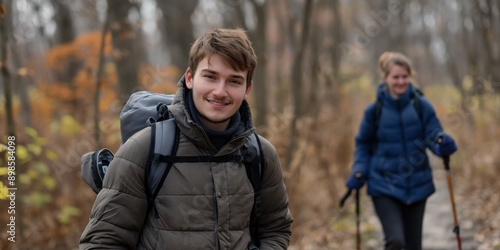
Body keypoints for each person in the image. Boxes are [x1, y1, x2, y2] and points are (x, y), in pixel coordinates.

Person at [80, 28, 293, 250]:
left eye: (234, 81)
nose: (220, 91)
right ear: (190, 78)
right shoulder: (144, 149)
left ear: (247, 88)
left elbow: (276, 229)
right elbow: (102, 241)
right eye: (210, 77)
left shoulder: (260, 154)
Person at [345, 52, 457, 250]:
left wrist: (442, 144)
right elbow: (363, 144)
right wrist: (359, 169)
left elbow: (433, 135)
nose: (401, 81)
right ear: (385, 78)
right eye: (395, 77)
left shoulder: (421, 106)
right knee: (395, 241)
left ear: (410, 77)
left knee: (414, 246)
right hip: (383, 185)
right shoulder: (374, 111)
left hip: (418, 185)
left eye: (405, 76)